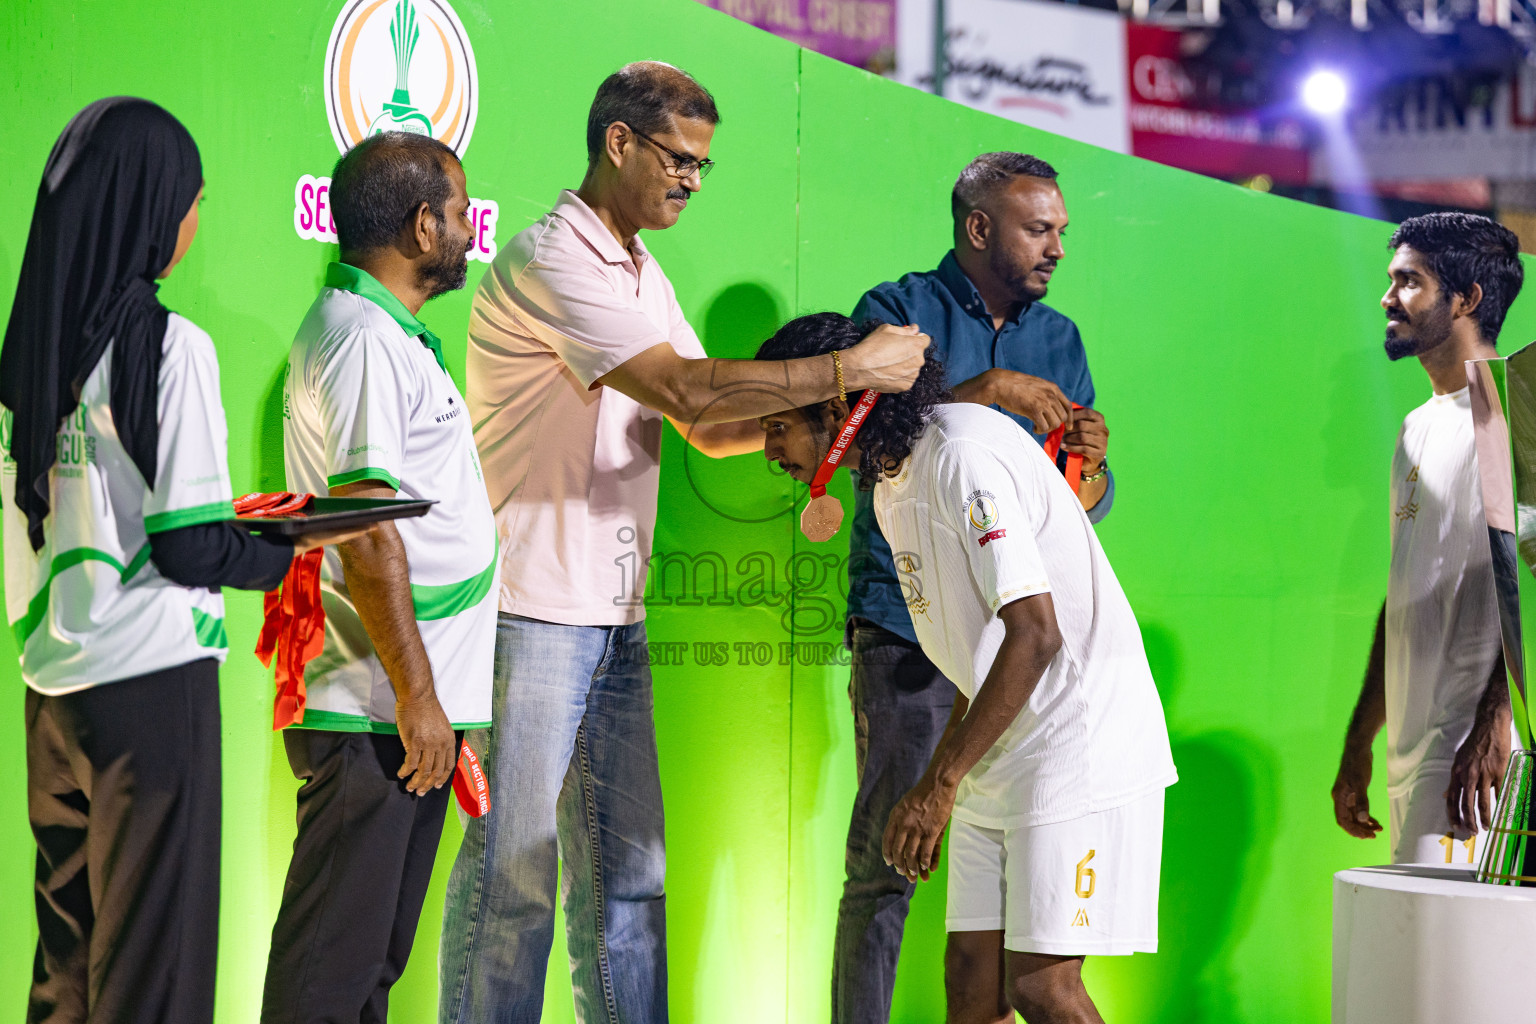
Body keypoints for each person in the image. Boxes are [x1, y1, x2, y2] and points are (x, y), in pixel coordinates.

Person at [439, 61, 928, 1024]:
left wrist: (833, 415)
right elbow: (686, 392)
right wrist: (847, 363)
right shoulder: (553, 257)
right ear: (619, 142)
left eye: (703, 167)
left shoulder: (636, 268)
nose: (691, 181)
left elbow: (709, 424)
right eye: (679, 159)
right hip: (534, 611)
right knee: (517, 884)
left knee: (630, 883)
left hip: (615, 617)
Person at [2, 97, 358, 1024]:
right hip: (153, 690)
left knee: (65, 975)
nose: (196, 220)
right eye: (193, 199)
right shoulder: (169, 348)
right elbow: (191, 544)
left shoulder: (31, 358)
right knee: (154, 979)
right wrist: (289, 548)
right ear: (150, 209)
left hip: (51, 691)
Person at [754, 312, 1175, 1024]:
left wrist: (941, 781)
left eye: (776, 426)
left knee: (1041, 989)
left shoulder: (960, 455)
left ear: (834, 409)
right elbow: (973, 653)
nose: (768, 449)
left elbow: (1034, 633)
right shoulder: (889, 485)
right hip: (1004, 749)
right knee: (971, 988)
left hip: (1078, 744)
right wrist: (945, 775)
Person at [835, 152, 1113, 1023]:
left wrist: (1092, 470)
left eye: (1063, 230)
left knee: (1002, 903)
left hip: (1019, 653)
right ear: (979, 228)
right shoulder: (896, 313)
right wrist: (980, 395)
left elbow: (1081, 506)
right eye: (1040, 228)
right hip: (907, 631)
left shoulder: (1060, 339)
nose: (1057, 246)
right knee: (886, 866)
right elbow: (858, 443)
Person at [260, 131, 495, 1024]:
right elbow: (367, 535)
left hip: (398, 712)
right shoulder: (361, 340)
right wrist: (419, 697)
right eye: (463, 208)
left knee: (365, 975)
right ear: (421, 222)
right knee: (329, 975)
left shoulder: (383, 333)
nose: (473, 225)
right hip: (375, 714)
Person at [1331, 212, 1524, 866]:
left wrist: (1497, 723)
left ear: (1465, 299)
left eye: (1408, 282)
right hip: (1411, 755)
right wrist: (1360, 740)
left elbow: (1531, 583)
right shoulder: (1416, 427)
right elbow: (1404, 590)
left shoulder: (1513, 413)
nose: (1388, 299)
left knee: (1442, 966)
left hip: (1474, 762)